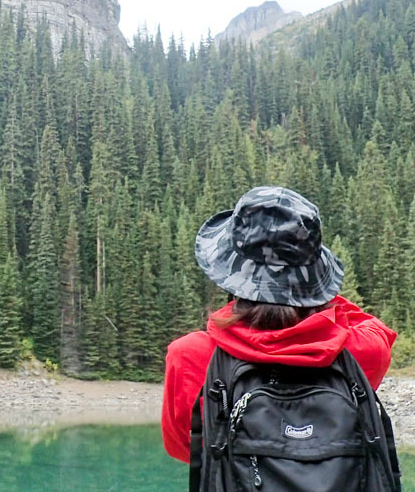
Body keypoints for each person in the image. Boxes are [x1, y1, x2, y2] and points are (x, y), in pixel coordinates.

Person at [161, 185, 397, 465]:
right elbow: (374, 327)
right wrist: (314, 290)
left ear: (230, 273)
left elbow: (184, 448)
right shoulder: (360, 352)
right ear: (313, 280)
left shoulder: (190, 355)